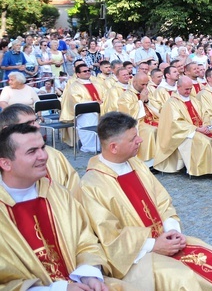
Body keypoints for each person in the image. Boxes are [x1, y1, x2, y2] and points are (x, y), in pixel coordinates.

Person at [78, 112, 212, 290]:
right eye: (133, 138)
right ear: (114, 147)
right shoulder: (92, 186)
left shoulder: (135, 164)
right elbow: (109, 238)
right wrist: (154, 245)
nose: (140, 140)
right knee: (184, 280)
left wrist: (172, 229)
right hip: (135, 257)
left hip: (165, 238)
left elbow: (162, 200)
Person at [0, 122, 123, 290]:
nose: (43, 156)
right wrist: (59, 289)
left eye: (42, 148)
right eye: (32, 151)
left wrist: (88, 275)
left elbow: (85, 239)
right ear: (6, 164)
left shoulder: (57, 192)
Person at [0, 104, 80, 193]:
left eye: (36, 121)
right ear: (7, 130)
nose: (38, 126)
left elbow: (73, 188)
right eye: (28, 123)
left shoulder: (53, 155)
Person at [153, 76, 212, 177]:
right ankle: (203, 170)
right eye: (186, 89)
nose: (189, 91)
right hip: (185, 133)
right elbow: (175, 122)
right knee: (205, 142)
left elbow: (205, 114)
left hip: (200, 128)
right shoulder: (172, 103)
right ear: (178, 87)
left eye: (190, 89)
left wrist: (205, 126)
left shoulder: (194, 100)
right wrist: (196, 129)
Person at [59, 63, 106, 153]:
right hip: (85, 113)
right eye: (84, 71)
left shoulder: (97, 84)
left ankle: (99, 146)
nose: (88, 72)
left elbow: (105, 95)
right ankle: (89, 147)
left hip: (100, 110)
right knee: (88, 129)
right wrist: (95, 103)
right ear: (78, 74)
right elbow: (76, 100)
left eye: (89, 70)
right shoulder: (74, 86)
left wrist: (102, 101)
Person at [117, 72, 158, 166]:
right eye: (142, 84)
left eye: (146, 84)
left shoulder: (147, 91)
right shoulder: (127, 95)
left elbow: (157, 106)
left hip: (151, 118)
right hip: (137, 123)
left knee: (165, 126)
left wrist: (147, 101)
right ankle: (148, 163)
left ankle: (160, 159)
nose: (145, 87)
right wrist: (141, 101)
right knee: (151, 131)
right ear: (134, 82)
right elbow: (128, 113)